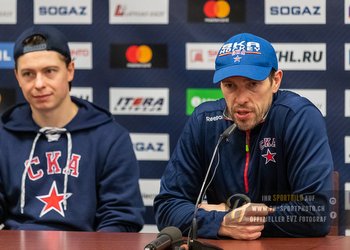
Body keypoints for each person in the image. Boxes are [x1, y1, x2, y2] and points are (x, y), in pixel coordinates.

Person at [154, 33, 333, 240]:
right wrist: (220, 222)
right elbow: (167, 207)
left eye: (252, 85)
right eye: (230, 86)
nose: (240, 99)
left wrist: (229, 214)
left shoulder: (298, 117)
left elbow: (316, 213)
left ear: (275, 81)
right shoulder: (204, 121)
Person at [0, 25, 145, 231]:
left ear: (70, 71)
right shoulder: (3, 135)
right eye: (28, 74)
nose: (39, 83)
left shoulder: (110, 137)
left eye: (49, 71)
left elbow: (121, 218)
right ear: (17, 77)